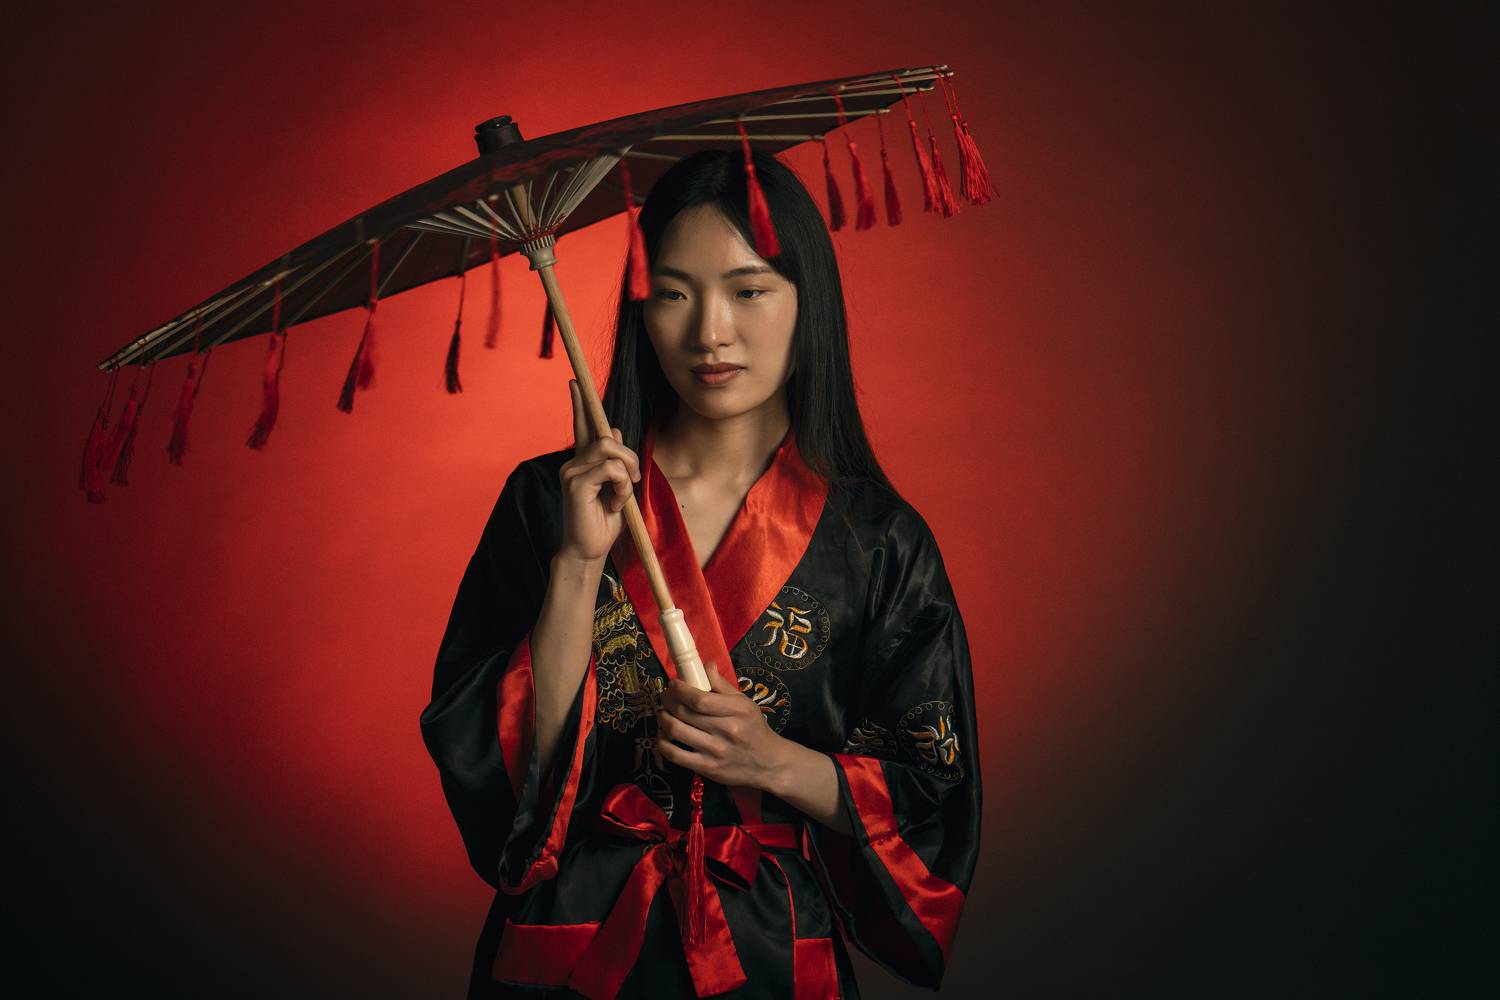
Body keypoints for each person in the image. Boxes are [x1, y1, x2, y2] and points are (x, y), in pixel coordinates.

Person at [420, 148, 981, 999]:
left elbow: (934, 790)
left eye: (749, 290)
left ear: (808, 304)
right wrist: (577, 562)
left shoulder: (880, 540)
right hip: (573, 944)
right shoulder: (549, 502)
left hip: (769, 950)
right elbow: (499, 774)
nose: (709, 332)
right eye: (674, 293)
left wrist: (774, 763)